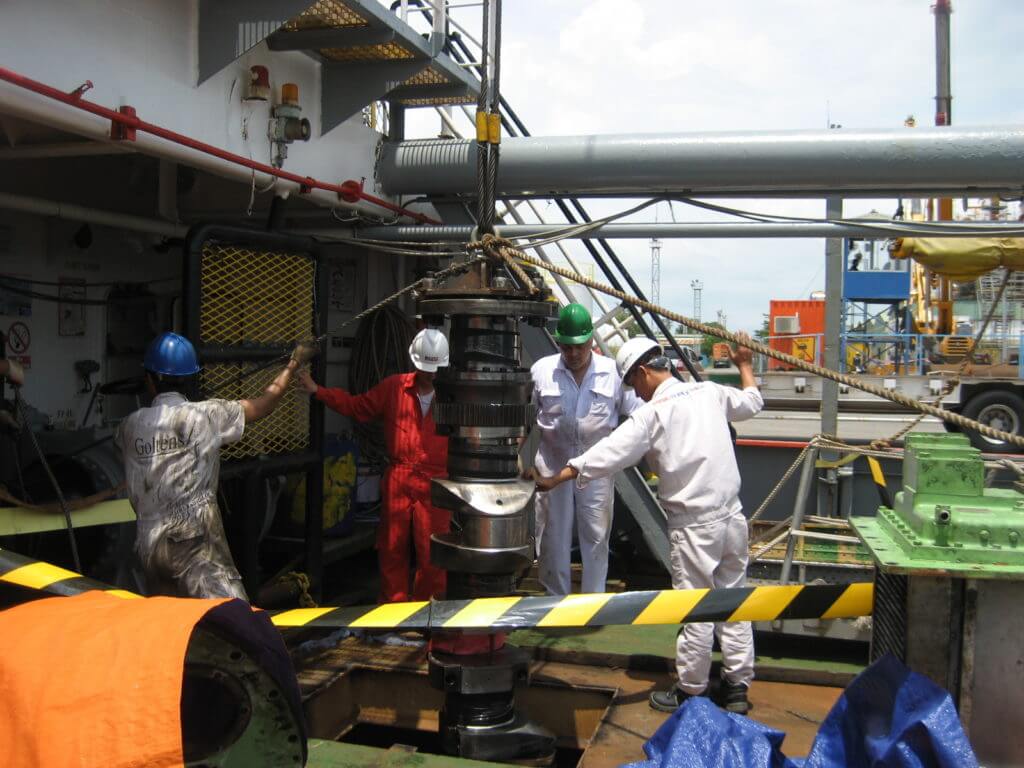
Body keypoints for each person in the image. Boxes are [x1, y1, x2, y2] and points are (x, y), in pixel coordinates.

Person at [534, 334, 763, 715]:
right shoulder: (709, 392)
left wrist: (556, 478)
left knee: (694, 606)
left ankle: (691, 689)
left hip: (693, 527)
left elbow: (607, 454)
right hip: (732, 518)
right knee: (733, 599)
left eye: (633, 385)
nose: (635, 395)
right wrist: (744, 365)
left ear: (642, 372)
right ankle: (738, 686)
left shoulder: (651, 414)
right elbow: (753, 402)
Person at [116, 331, 318, 600]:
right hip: (195, 545)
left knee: (174, 626)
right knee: (233, 623)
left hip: (150, 547)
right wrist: (293, 364)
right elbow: (264, 405)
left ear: (149, 380)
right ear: (192, 378)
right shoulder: (208, 414)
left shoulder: (128, 426)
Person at [297, 327, 450, 603]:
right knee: (392, 549)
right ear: (415, 362)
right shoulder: (394, 388)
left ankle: (429, 616)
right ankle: (393, 614)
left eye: (435, 368)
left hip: (435, 484)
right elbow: (359, 407)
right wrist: (318, 391)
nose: (431, 373)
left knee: (433, 554)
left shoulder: (453, 397)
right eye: (426, 367)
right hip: (400, 478)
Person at [529, 303, 639, 595]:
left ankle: (593, 602)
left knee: (596, 535)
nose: (574, 354)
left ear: (591, 340)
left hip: (595, 470)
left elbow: (639, 415)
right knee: (553, 536)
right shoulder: (542, 371)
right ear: (558, 342)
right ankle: (555, 600)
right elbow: (524, 417)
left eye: (581, 346)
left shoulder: (612, 373)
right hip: (552, 467)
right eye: (567, 348)